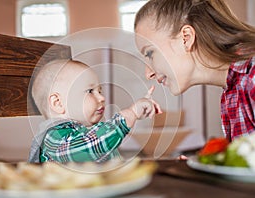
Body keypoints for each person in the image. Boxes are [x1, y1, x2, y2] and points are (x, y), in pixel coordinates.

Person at [134, 0, 255, 142]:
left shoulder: (251, 78)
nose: (148, 74)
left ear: (186, 38)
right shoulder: (232, 91)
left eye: (149, 54)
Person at [28, 59, 162, 163]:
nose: (102, 97)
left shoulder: (91, 131)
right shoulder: (54, 136)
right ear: (58, 103)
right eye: (90, 91)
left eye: (100, 91)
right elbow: (88, 147)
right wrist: (130, 114)